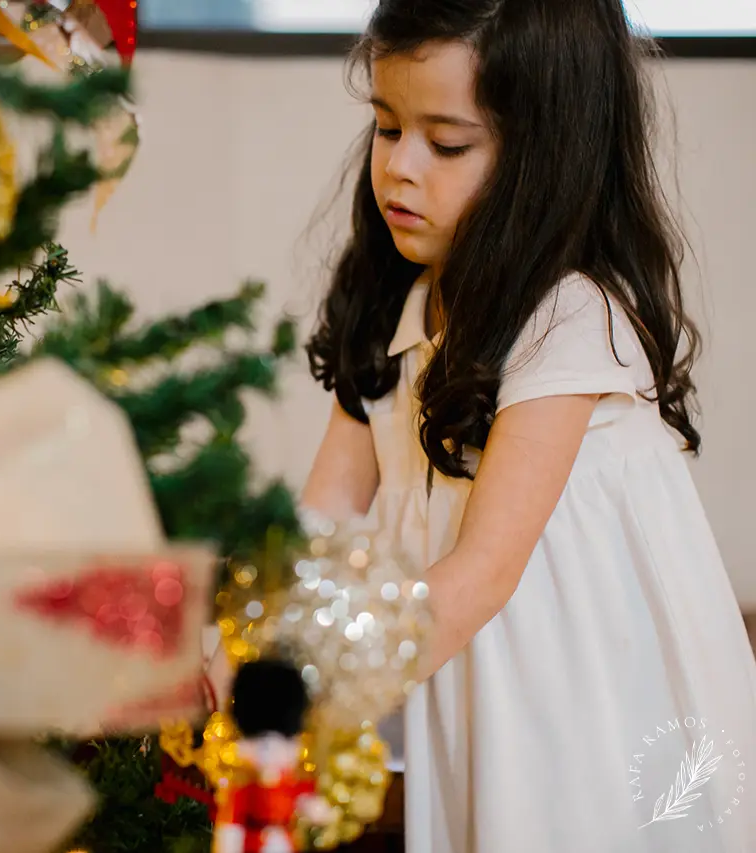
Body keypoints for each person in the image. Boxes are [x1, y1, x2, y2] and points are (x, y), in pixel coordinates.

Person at [299, 1, 756, 851]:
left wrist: (317, 676)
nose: (399, 168)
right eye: (386, 126)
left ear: (543, 158)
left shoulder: (569, 316)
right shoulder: (390, 293)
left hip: (575, 685)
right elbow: (323, 511)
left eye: (447, 144)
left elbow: (482, 573)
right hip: (463, 662)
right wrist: (255, 633)